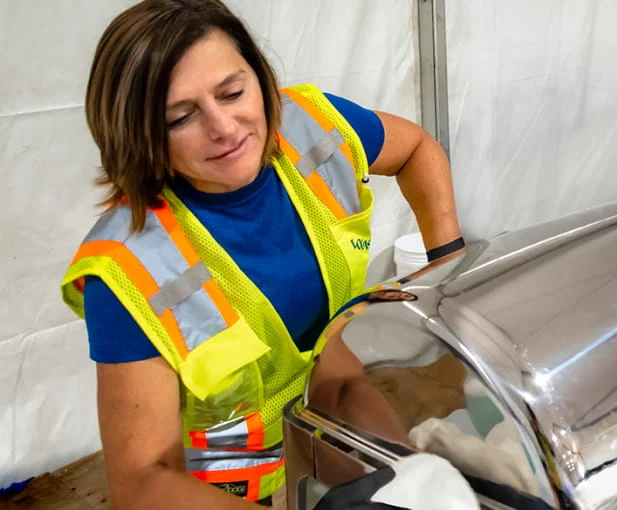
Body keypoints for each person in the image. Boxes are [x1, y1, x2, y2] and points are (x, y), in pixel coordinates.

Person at [58, 0, 463, 508]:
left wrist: (449, 270)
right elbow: (142, 481)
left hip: (330, 394)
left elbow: (416, 150)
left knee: (422, 487)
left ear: (261, 76)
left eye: (233, 92)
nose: (224, 127)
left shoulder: (312, 129)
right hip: (225, 475)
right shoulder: (132, 267)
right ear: (138, 137)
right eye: (180, 116)